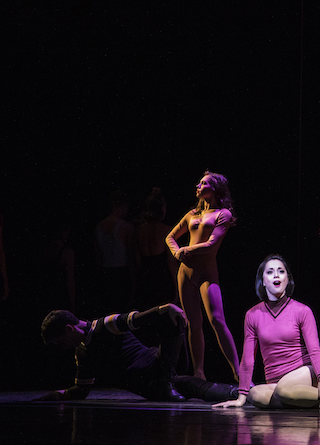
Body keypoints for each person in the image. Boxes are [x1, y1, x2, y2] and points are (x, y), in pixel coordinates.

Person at [213, 255, 320, 409]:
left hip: (304, 372)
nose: (276, 275)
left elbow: (314, 349)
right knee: (255, 394)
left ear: (287, 279)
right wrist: (241, 397)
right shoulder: (252, 315)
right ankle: (314, 401)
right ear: (263, 281)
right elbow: (248, 358)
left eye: (281, 271)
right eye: (270, 272)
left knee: (283, 391)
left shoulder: (302, 311)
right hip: (276, 381)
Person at [37, 303, 237, 403]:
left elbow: (142, 318)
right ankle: (239, 392)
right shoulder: (82, 353)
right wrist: (57, 394)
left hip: (159, 365)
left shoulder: (105, 325)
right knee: (187, 385)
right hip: (151, 385)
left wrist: (165, 308)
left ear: (69, 329)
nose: (63, 347)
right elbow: (80, 391)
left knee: (168, 318)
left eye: (61, 342)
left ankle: (167, 383)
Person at [165, 171, 239, 382]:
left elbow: (211, 245)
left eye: (203, 183)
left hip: (207, 273)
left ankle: (238, 372)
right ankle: (199, 373)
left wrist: (186, 250)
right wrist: (176, 251)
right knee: (193, 323)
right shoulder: (192, 214)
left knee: (217, 319)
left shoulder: (222, 214)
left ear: (214, 189)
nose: (198, 185)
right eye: (199, 182)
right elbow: (170, 237)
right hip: (186, 273)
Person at [93, 189, 136, 315]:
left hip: (105, 274)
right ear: (122, 206)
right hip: (122, 275)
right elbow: (132, 258)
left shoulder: (98, 227)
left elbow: (97, 259)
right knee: (121, 315)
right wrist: (134, 284)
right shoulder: (126, 227)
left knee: (107, 314)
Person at [136, 188, 178, 308]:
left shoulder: (139, 231)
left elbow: (137, 262)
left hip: (145, 279)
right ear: (161, 208)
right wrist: (177, 288)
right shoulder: (166, 231)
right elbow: (172, 264)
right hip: (163, 281)